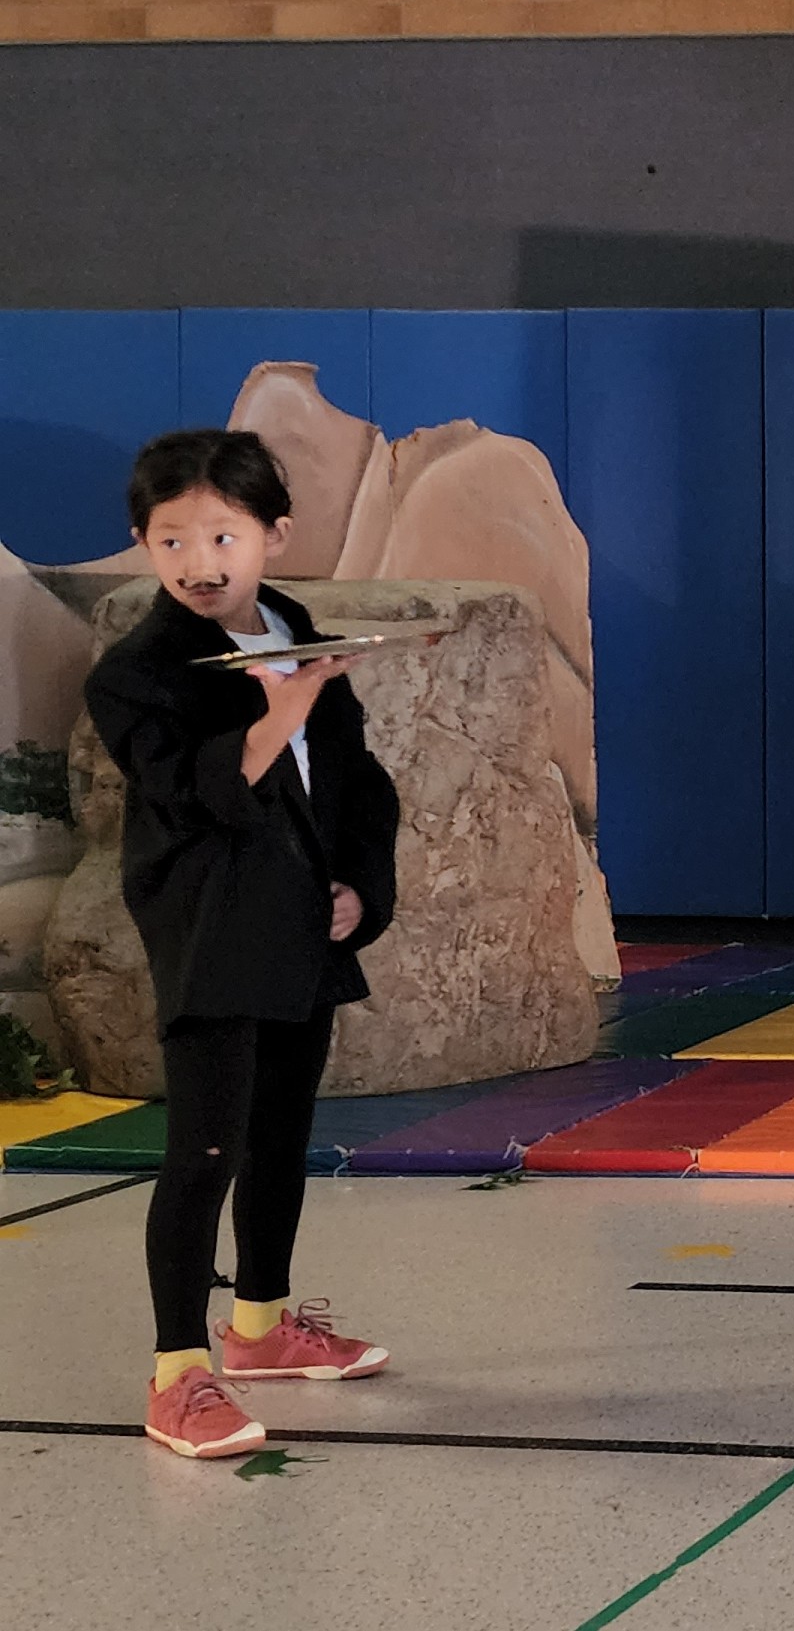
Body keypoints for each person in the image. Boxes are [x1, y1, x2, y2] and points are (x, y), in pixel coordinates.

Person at [89, 429, 401, 1460]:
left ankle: (261, 1327)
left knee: (278, 1133)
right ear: (143, 543)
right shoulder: (136, 674)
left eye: (224, 535)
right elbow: (189, 795)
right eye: (171, 540)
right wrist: (280, 710)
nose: (199, 562)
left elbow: (358, 781)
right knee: (206, 1150)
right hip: (211, 922)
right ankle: (177, 1372)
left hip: (301, 916)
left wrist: (361, 885)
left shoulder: (295, 628)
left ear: (275, 534)